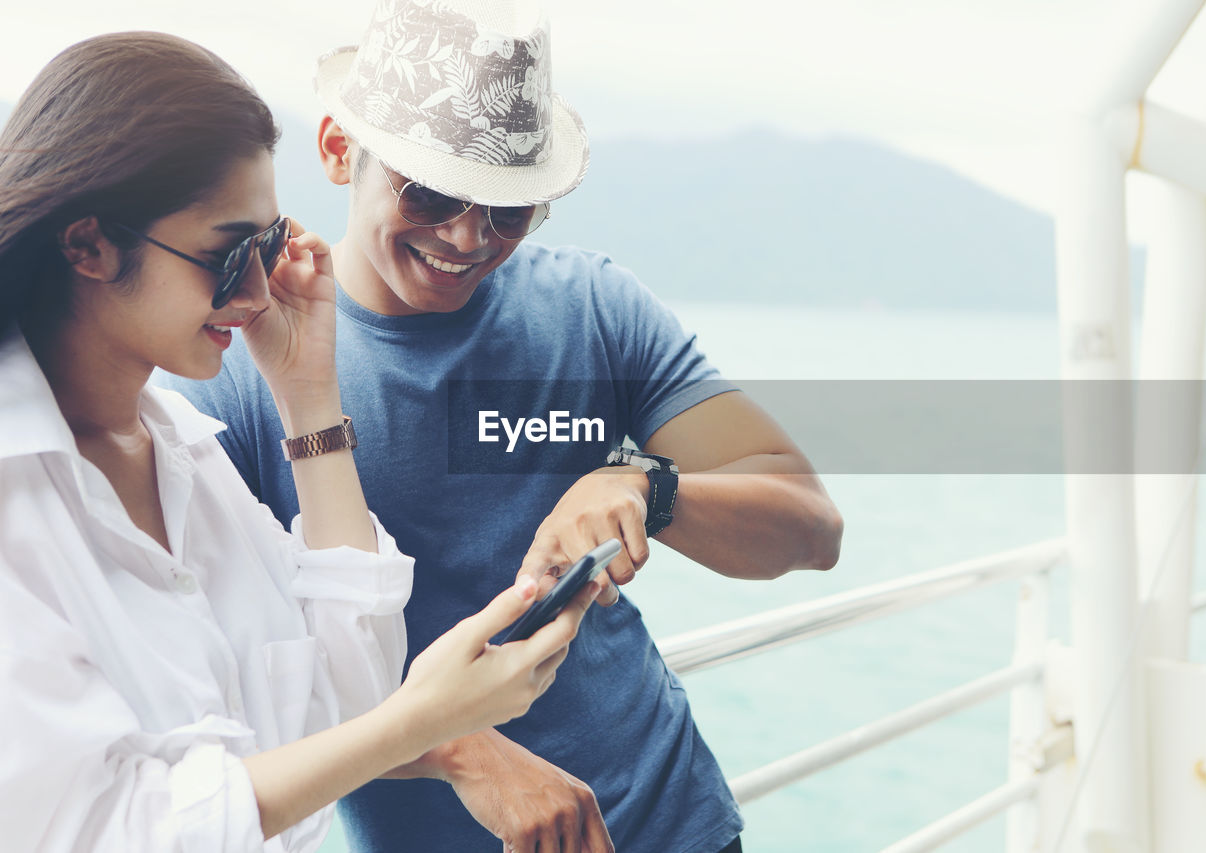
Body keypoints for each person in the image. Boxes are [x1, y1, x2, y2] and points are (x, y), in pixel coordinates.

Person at [165, 1, 845, 851]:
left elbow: (811, 527)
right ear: (340, 152)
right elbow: (214, 695)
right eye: (431, 192)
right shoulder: (236, 375)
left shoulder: (593, 307)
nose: (467, 236)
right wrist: (456, 745)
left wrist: (648, 486)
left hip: (674, 823)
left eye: (508, 210)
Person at [0, 31, 600, 852]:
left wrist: (308, 394)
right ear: (88, 245)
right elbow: (113, 827)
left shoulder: (182, 448)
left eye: (264, 247)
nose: (254, 291)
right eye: (225, 253)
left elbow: (342, 696)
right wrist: (427, 722)